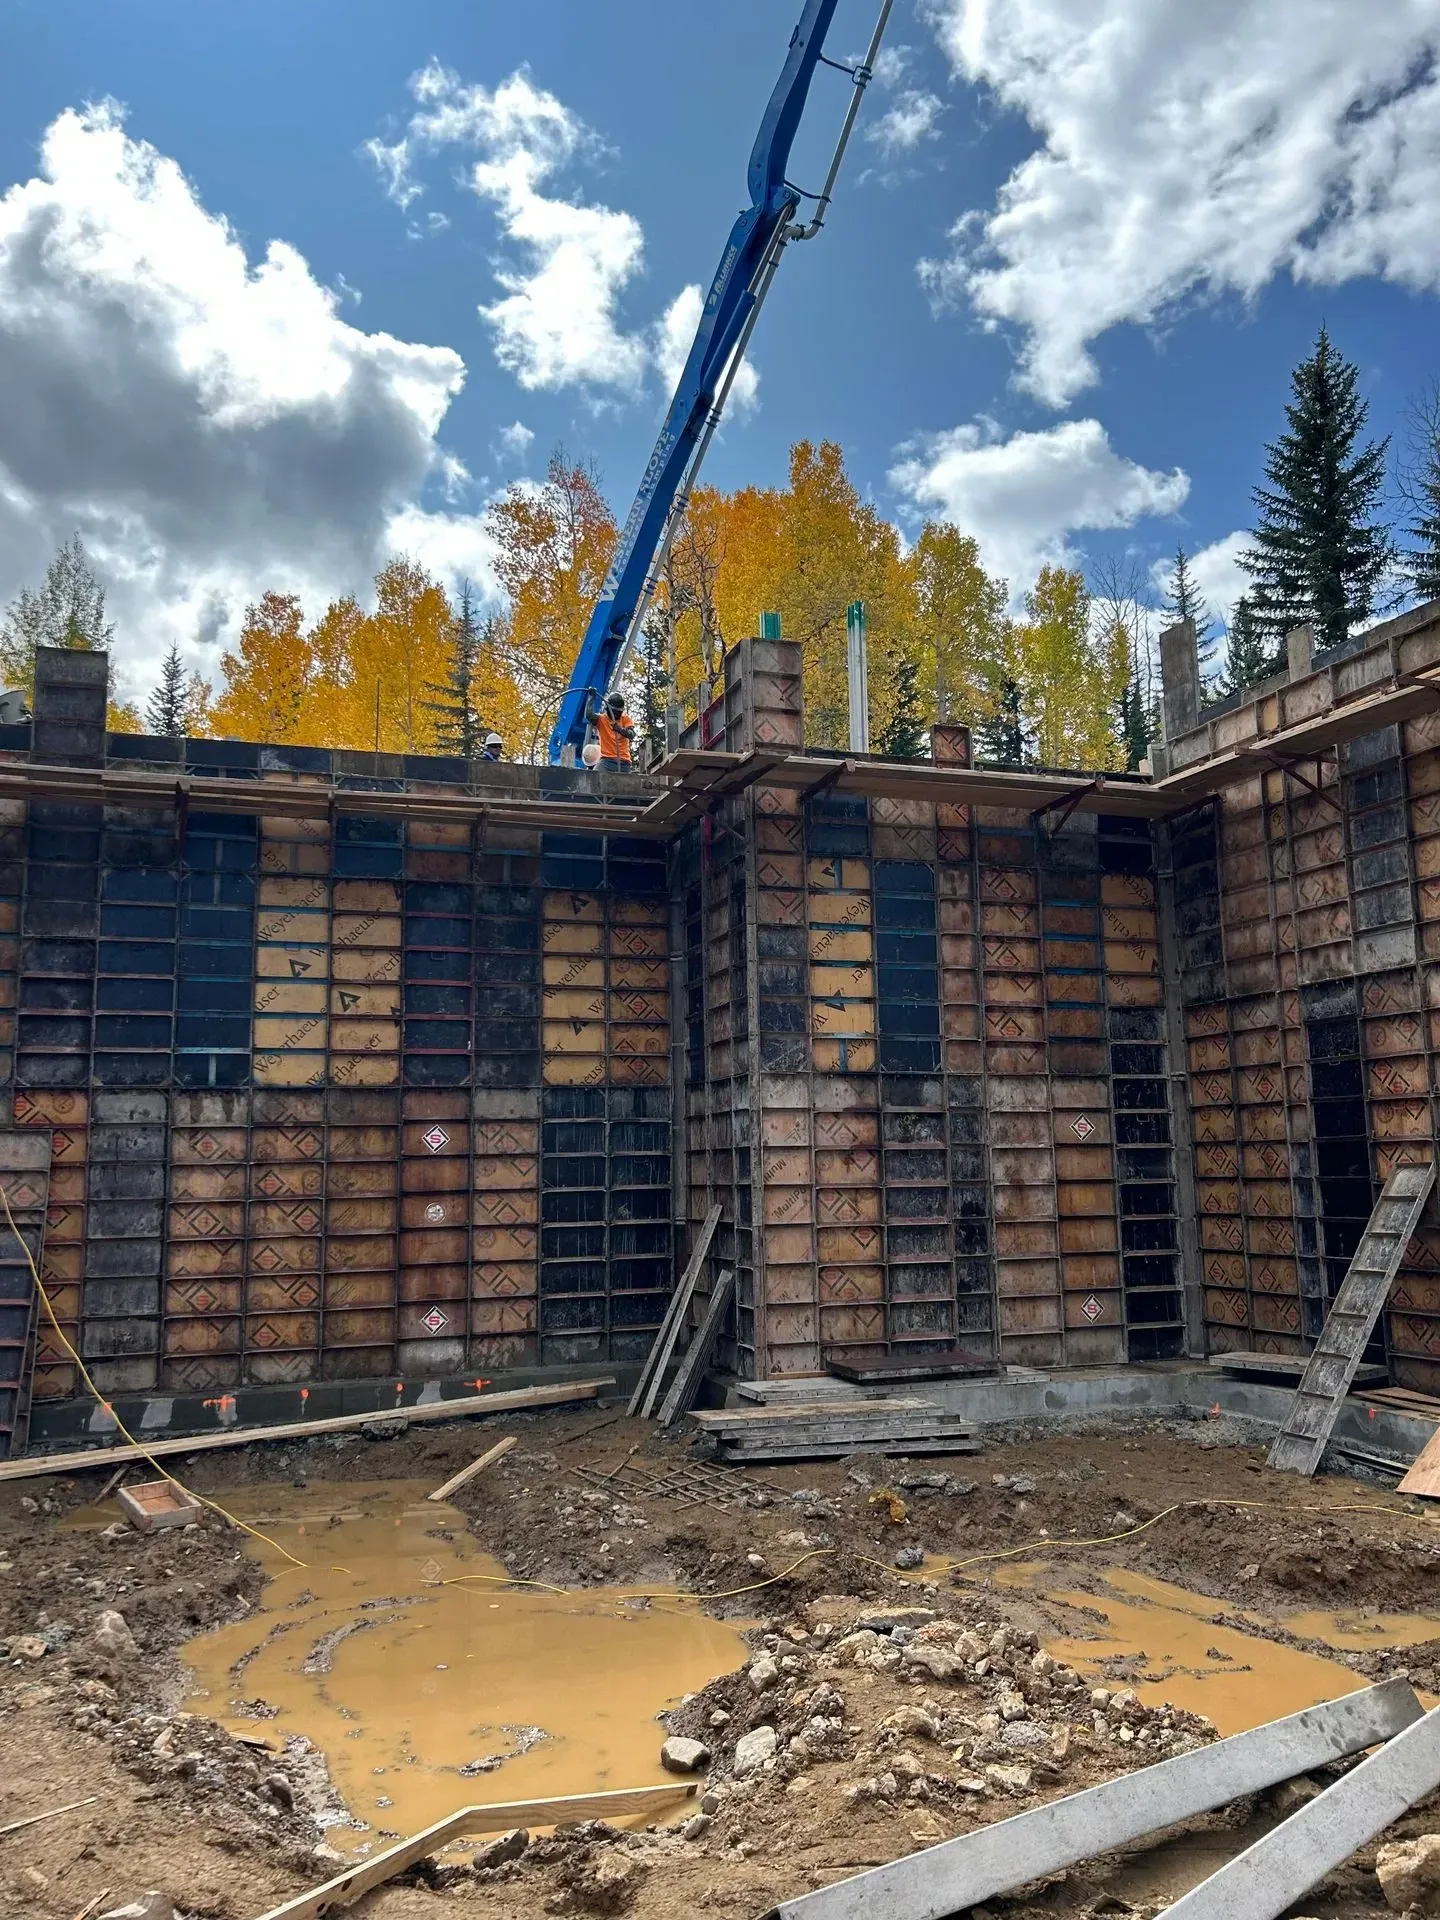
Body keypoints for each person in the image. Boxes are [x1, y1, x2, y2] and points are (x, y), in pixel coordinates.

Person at [592, 690, 635, 770]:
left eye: (618, 712)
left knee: (629, 781)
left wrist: (620, 729)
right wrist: (591, 699)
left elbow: (632, 734)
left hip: (623, 762)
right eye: (614, 711)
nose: (615, 714)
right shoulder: (601, 719)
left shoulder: (625, 719)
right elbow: (588, 715)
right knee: (594, 776)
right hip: (606, 760)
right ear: (607, 709)